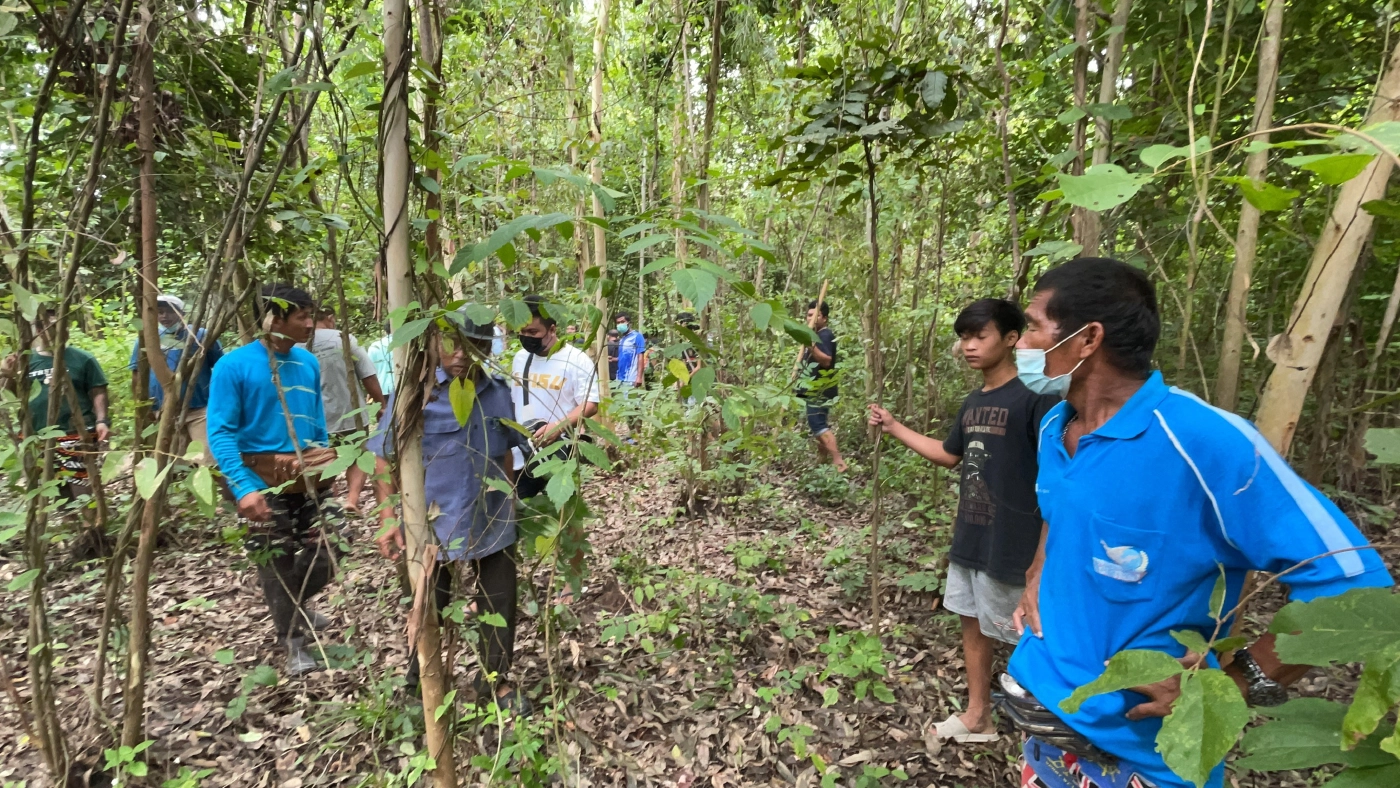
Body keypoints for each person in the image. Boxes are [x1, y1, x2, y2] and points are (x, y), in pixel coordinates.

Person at [1004, 258, 1393, 788]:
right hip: (1050, 730)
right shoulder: (1056, 425)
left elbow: (1354, 582)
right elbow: (1062, 510)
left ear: (1086, 339)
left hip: (1150, 755)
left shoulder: (1204, 442)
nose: (1019, 343)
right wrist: (1037, 573)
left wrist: (1237, 680)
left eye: (1032, 326)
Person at [868, 298, 1057, 744]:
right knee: (971, 623)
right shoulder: (975, 401)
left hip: (1018, 544)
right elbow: (949, 456)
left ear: (1011, 339)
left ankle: (1049, 734)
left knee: (1030, 635)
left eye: (980, 336)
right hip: (973, 534)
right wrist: (894, 427)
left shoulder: (1037, 398)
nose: (969, 346)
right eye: (964, 337)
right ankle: (979, 717)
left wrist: (1043, 556)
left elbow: (1058, 478)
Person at [369, 313, 530, 714]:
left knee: (499, 601)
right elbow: (382, 458)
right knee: (428, 605)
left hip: (491, 517)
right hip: (432, 525)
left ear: (487, 349)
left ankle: (495, 680)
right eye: (452, 344)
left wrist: (509, 499)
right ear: (436, 344)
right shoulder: (415, 395)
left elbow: (506, 449)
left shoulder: (497, 392)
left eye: (472, 345)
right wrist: (389, 519)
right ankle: (419, 680)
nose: (461, 355)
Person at [207, 284, 341, 676]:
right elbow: (220, 433)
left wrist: (325, 457)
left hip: (308, 476)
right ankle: (293, 641)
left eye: (310, 315)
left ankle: (292, 605)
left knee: (334, 548)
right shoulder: (233, 366)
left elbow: (316, 420)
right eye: (301, 317)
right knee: (276, 561)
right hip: (259, 478)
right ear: (272, 319)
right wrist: (243, 487)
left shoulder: (308, 362)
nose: (309, 324)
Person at [0, 307, 112, 513]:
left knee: (83, 487)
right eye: (53, 326)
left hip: (76, 433)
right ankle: (70, 532)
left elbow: (98, 391)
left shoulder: (82, 358)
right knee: (55, 488)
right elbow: (10, 395)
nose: (62, 331)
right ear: (40, 331)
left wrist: (102, 420)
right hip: (37, 435)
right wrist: (7, 374)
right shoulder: (24, 361)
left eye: (64, 325)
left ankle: (92, 532)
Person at [303, 307, 387, 514]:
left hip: (313, 417)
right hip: (350, 411)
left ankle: (328, 500)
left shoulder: (297, 344)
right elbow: (368, 375)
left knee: (320, 457)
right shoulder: (343, 339)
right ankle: (352, 499)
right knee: (359, 454)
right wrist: (381, 405)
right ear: (330, 319)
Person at [128, 294, 223, 463]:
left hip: (200, 408)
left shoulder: (199, 335)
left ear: (182, 313)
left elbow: (221, 367)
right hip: (165, 411)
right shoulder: (149, 338)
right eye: (160, 312)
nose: (164, 316)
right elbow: (137, 373)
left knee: (209, 461)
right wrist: (143, 406)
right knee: (173, 463)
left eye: (170, 312)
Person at [799, 299, 845, 472]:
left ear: (824, 318)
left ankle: (838, 462)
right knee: (818, 423)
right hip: (813, 388)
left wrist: (810, 345)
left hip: (819, 390)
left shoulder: (825, 335)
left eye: (813, 315)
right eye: (808, 315)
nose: (809, 319)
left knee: (818, 424)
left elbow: (826, 361)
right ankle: (823, 461)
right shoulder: (815, 335)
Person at [613, 312, 645, 388]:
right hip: (620, 377)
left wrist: (639, 377)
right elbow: (624, 356)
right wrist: (614, 359)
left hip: (631, 377)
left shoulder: (637, 336)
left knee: (631, 399)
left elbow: (640, 357)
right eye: (618, 323)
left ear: (629, 323)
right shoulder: (622, 339)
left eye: (622, 322)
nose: (620, 324)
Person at [367, 322, 395, 395]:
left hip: (381, 389)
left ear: (385, 331)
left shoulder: (374, 347)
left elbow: (370, 371)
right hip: (401, 387)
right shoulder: (404, 344)